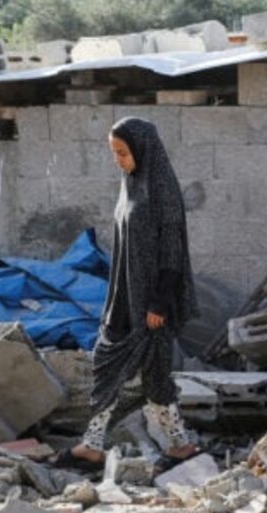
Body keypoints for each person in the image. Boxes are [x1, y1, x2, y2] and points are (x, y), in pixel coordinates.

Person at [56, 117, 200, 469]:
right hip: (124, 298)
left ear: (142, 150)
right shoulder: (131, 185)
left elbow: (172, 250)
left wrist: (160, 301)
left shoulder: (162, 191)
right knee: (107, 363)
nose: (118, 160)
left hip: (151, 304)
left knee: (156, 377)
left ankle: (180, 445)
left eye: (122, 153)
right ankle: (93, 445)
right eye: (114, 153)